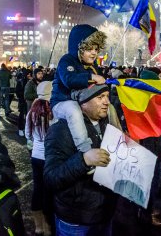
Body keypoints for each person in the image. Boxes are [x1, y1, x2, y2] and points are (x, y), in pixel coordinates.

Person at [44, 84, 117, 235]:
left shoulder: (107, 123)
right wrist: (83, 160)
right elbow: (51, 178)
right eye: (100, 97)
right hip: (76, 221)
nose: (107, 102)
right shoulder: (61, 130)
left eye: (107, 97)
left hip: (105, 213)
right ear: (83, 102)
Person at [50, 24, 107, 153]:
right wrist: (91, 76)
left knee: (108, 107)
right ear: (79, 48)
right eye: (89, 49)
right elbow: (69, 80)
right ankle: (85, 150)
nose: (94, 53)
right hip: (61, 103)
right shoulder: (67, 60)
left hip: (82, 102)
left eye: (96, 49)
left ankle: (113, 140)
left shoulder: (93, 66)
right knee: (73, 110)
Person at [25, 81, 54, 236]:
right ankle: (49, 227)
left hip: (36, 155)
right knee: (49, 191)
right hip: (50, 157)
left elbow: (28, 134)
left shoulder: (32, 111)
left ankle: (38, 226)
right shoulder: (54, 111)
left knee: (38, 189)